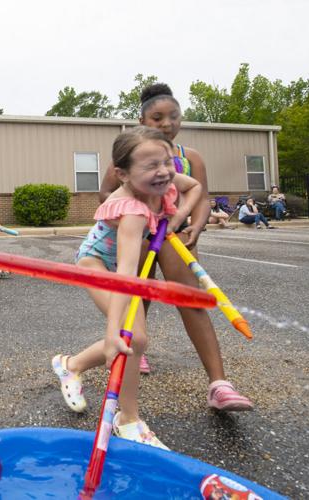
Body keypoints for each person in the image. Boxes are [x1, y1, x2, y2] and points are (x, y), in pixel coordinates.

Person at [98, 83, 253, 412]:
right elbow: (106, 194)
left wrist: (196, 224)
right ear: (142, 119)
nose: (167, 123)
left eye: (173, 116)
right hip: (141, 232)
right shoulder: (129, 154)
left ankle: (219, 384)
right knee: (138, 295)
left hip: (177, 236)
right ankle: (134, 349)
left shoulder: (189, 157)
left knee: (190, 301)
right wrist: (134, 219)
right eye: (157, 118)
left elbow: (202, 195)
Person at [52, 126, 202, 450]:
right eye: (151, 166)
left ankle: (70, 365)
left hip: (123, 266)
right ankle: (128, 420)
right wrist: (111, 333)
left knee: (134, 337)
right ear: (122, 174)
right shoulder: (132, 211)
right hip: (97, 264)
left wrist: (175, 220)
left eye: (167, 162)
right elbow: (124, 273)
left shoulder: (166, 181)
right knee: (131, 336)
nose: (163, 171)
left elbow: (196, 187)